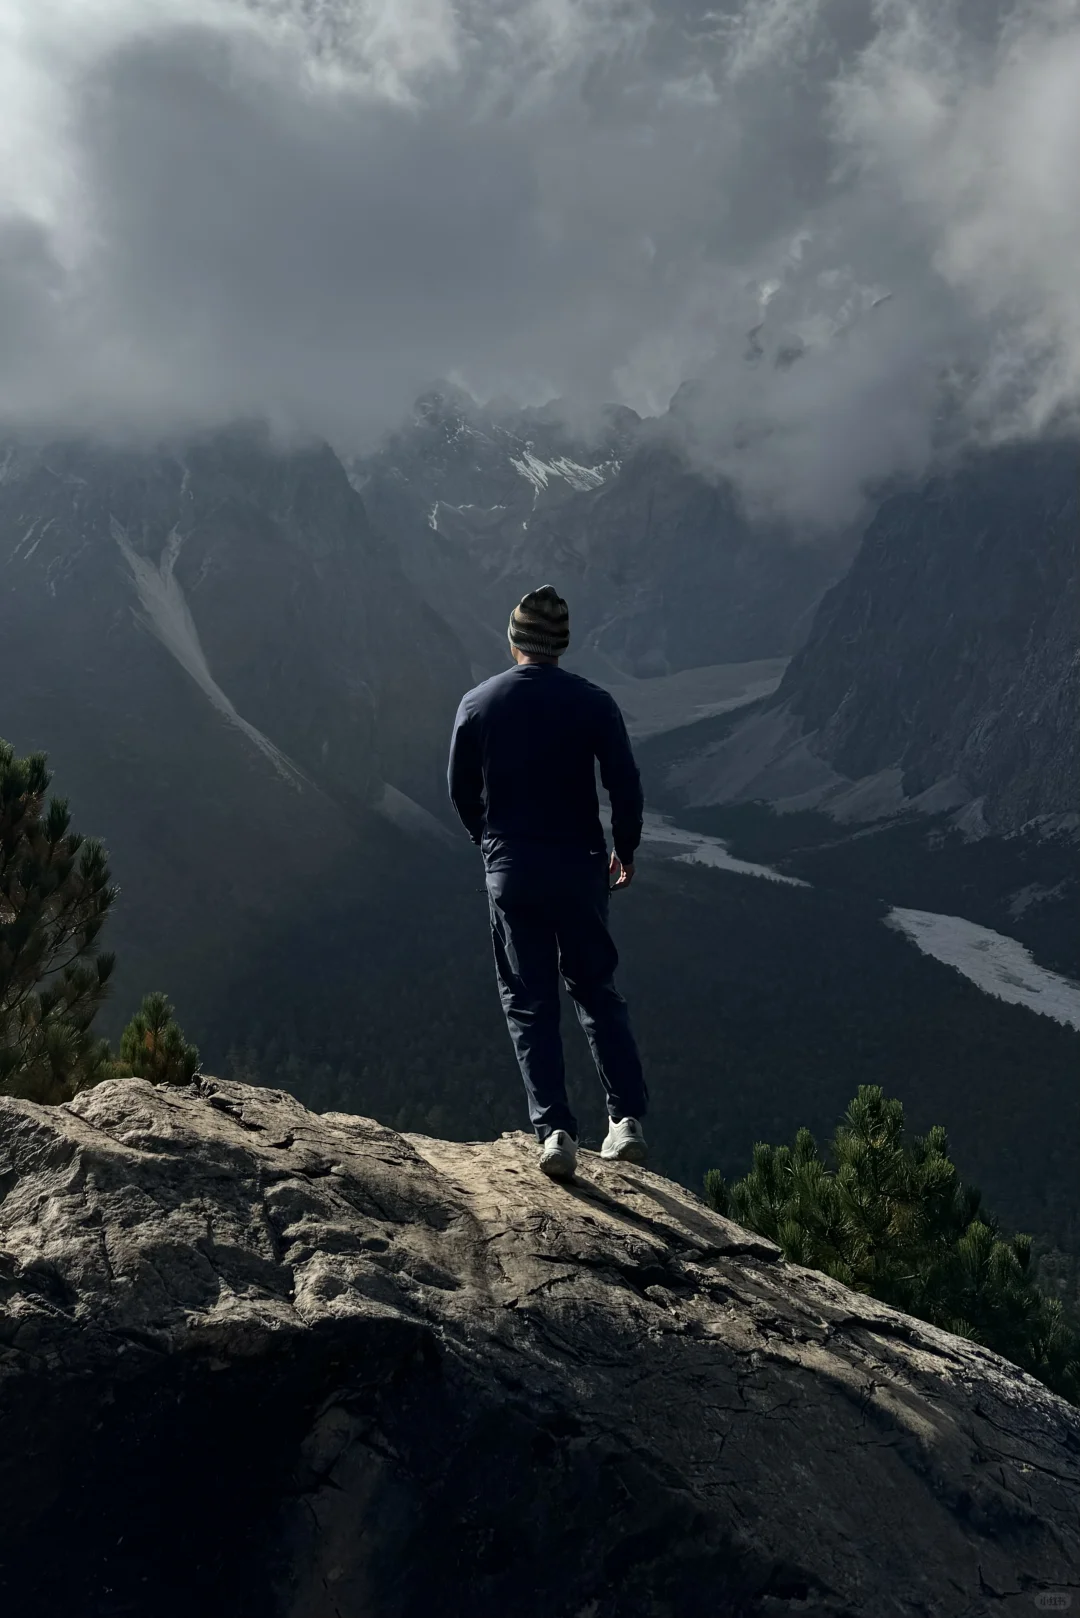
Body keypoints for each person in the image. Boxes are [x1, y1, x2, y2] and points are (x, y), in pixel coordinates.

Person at [447, 584, 649, 1182]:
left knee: (529, 1000)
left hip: (512, 867)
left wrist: (490, 843)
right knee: (595, 989)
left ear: (514, 642)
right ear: (561, 646)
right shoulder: (593, 702)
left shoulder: (479, 703)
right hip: (581, 865)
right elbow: (625, 785)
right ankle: (626, 1121)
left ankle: (556, 1132)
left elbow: (461, 791)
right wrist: (626, 849)